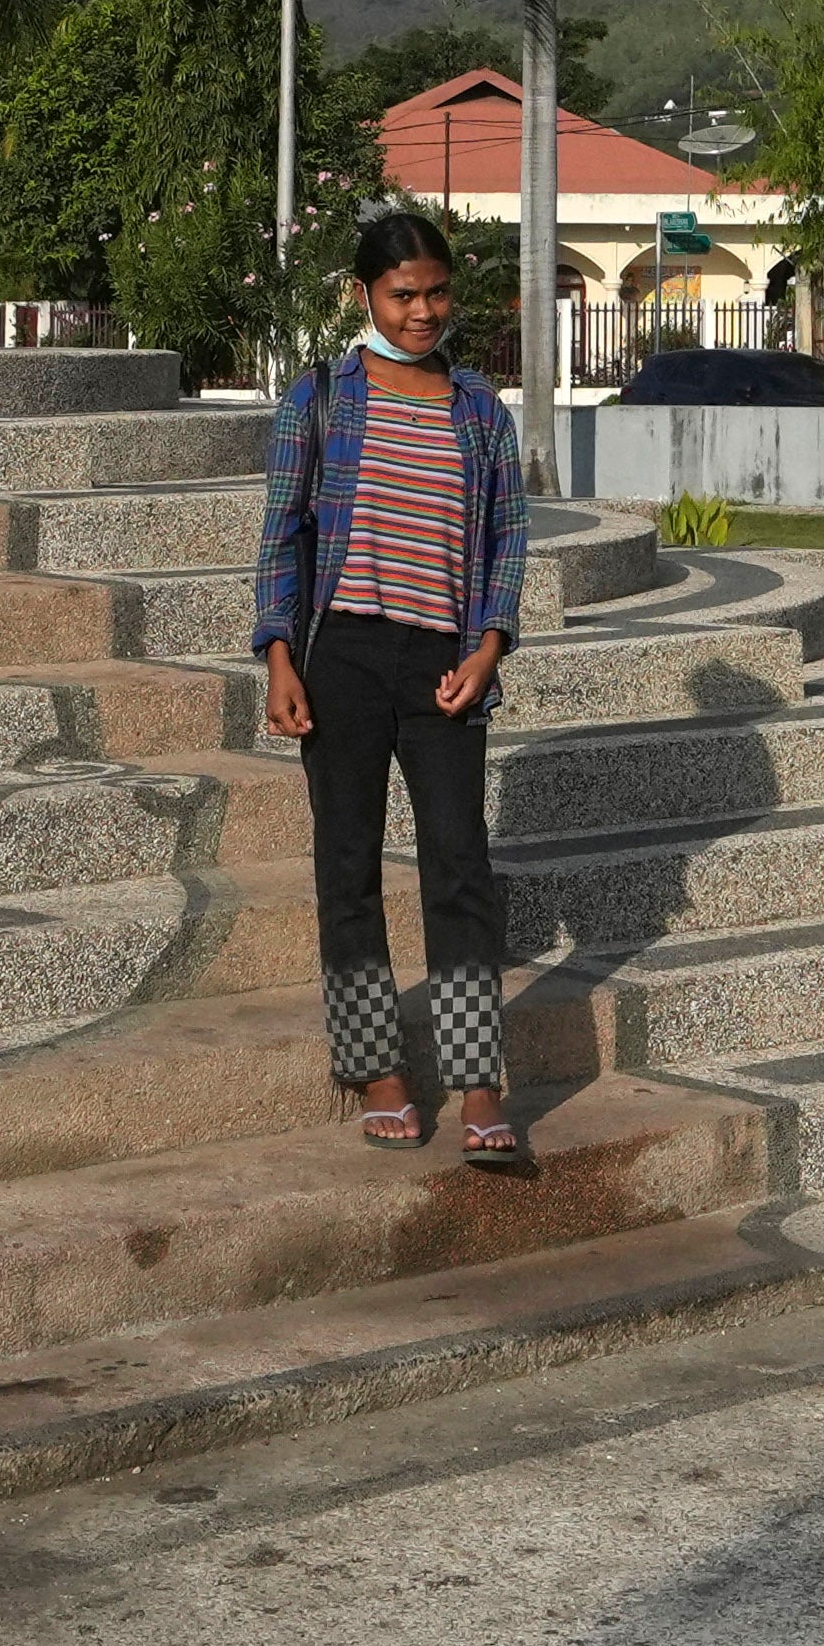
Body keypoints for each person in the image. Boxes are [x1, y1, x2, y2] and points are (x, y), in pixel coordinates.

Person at [253, 207, 528, 1164]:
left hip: (447, 664)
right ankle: (377, 1068)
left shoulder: (480, 411)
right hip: (343, 660)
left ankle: (480, 1082)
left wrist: (490, 645)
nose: (423, 311)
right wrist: (281, 654)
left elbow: (506, 541)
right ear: (365, 294)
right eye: (403, 294)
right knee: (349, 866)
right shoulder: (321, 398)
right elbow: (282, 532)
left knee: (460, 864)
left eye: (438, 291)